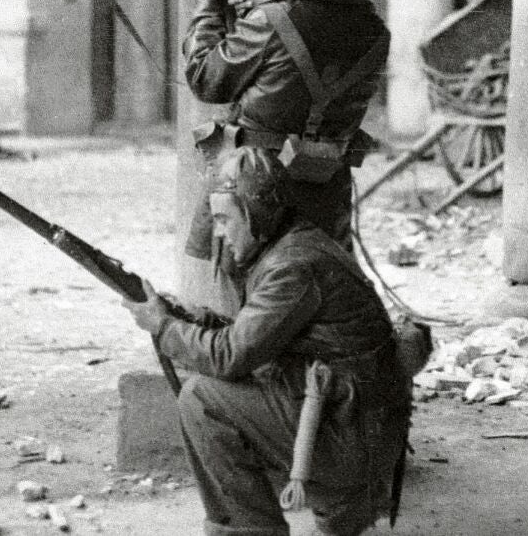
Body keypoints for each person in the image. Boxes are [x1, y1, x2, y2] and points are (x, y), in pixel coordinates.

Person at [120, 147, 412, 536]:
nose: (219, 233)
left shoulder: (291, 266)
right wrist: (192, 319)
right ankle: (340, 500)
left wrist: (163, 327)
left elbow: (228, 356)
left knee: (201, 399)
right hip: (360, 423)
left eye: (224, 219)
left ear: (256, 213)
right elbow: (259, 336)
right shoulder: (296, 244)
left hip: (354, 435)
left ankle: (252, 530)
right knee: (238, 386)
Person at [183, 0, 390, 300]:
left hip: (255, 180)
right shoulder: (377, 30)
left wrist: (207, 14)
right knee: (315, 287)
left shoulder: (272, 18)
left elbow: (206, 80)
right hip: (326, 182)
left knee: (238, 294)